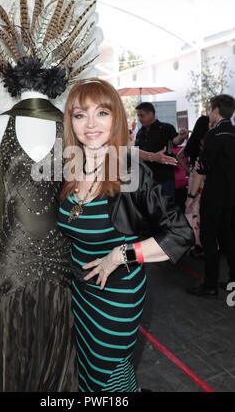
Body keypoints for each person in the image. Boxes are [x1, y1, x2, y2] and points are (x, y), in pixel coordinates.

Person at [0, 0, 97, 391]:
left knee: (19, 342)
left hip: (17, 250)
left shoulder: (12, 123)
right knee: (49, 336)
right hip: (51, 247)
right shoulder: (67, 125)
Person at [57, 79, 194, 392]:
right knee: (88, 371)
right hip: (81, 292)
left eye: (101, 113)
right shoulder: (68, 168)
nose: (90, 124)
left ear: (116, 118)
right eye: (80, 115)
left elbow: (181, 234)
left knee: (110, 377)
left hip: (117, 295)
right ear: (71, 122)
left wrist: (120, 255)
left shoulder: (130, 170)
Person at [186, 95, 235, 298]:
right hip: (231, 196)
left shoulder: (214, 135)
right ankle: (232, 280)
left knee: (208, 239)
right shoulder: (233, 133)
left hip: (214, 196)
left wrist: (190, 196)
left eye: (209, 109)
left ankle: (210, 284)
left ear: (216, 110)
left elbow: (201, 169)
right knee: (229, 239)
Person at [135, 102, 189, 201]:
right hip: (146, 179)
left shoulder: (166, 128)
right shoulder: (139, 132)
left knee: (167, 208)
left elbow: (175, 141)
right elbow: (136, 153)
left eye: (142, 115)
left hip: (164, 176)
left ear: (151, 114)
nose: (139, 119)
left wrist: (181, 136)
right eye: (138, 115)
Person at [177, 115, 209, 256]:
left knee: (192, 211)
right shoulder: (207, 141)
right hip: (204, 181)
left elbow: (178, 156)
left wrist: (188, 170)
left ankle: (194, 244)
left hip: (192, 180)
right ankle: (204, 243)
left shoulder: (192, 142)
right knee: (203, 211)